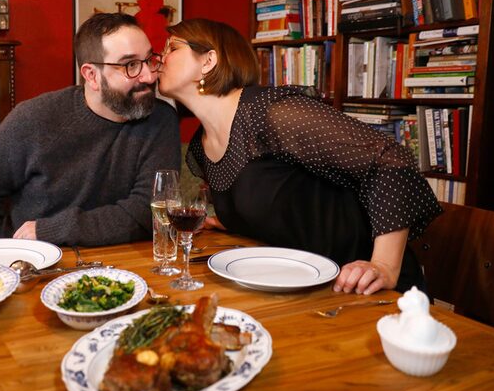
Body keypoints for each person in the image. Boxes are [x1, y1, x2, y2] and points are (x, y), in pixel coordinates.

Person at [157, 18, 441, 295]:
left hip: (365, 287)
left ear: (208, 61)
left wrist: (383, 265)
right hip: (302, 285)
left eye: (172, 48)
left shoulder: (273, 113)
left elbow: (391, 159)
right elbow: (277, 196)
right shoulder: (202, 143)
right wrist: (236, 218)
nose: (161, 57)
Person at [0, 13, 181, 246]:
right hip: (39, 263)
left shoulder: (161, 118)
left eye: (149, 60)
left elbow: (148, 210)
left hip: (125, 262)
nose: (148, 75)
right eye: (130, 65)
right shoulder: (33, 119)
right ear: (91, 76)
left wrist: (55, 229)